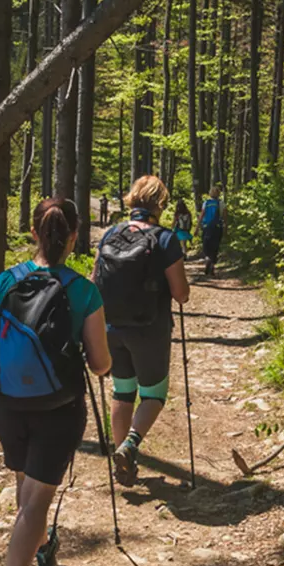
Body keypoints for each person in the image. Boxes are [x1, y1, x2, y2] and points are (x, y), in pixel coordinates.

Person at [0, 197, 111, 566]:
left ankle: (39, 541)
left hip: (9, 405)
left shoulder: (3, 282)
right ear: (73, 237)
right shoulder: (83, 291)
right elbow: (100, 364)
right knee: (36, 500)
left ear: (33, 233)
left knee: (25, 485)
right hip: (59, 408)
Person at [93, 176, 190, 485]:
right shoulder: (165, 238)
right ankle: (130, 445)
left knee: (122, 392)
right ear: (160, 204)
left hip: (111, 327)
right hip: (150, 330)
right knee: (153, 396)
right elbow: (181, 293)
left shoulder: (111, 234)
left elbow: (96, 282)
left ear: (131, 200)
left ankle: (123, 463)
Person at [199, 183, 226, 276]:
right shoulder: (221, 203)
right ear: (219, 193)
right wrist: (226, 227)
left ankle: (207, 259)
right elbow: (225, 216)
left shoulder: (206, 203)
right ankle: (212, 266)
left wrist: (197, 227)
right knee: (215, 246)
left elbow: (201, 216)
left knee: (206, 245)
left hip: (206, 227)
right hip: (217, 227)